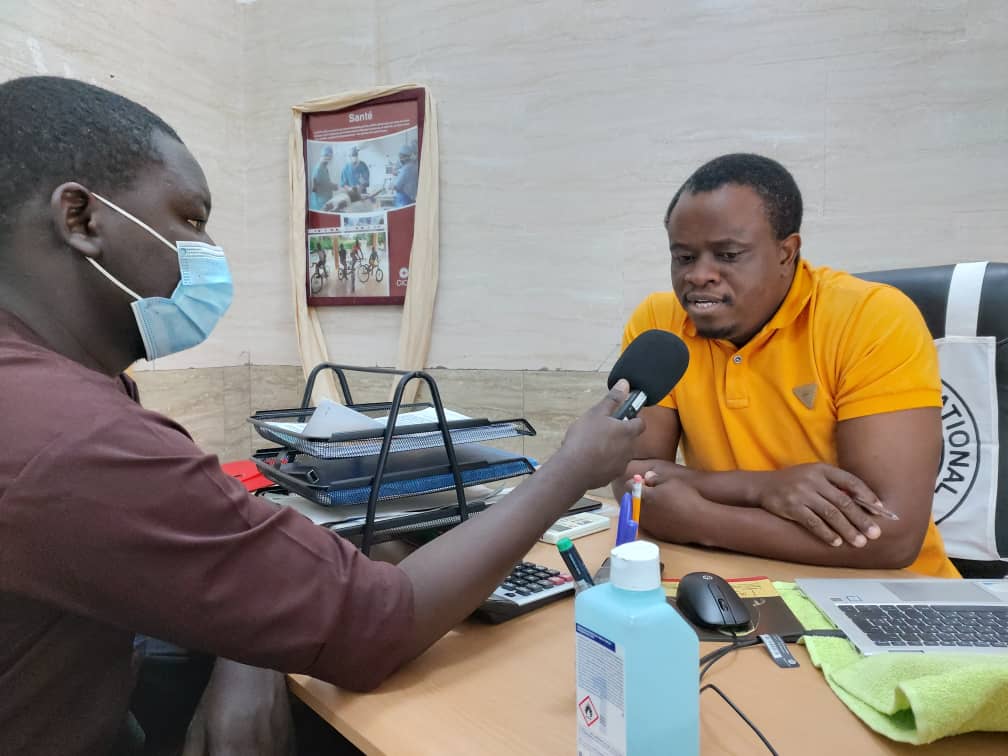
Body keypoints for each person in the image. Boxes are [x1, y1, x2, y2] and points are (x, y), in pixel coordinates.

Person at [0, 75, 645, 755]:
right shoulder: (72, 437)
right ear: (81, 219)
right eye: (190, 219)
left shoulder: (68, 389)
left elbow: (213, 563)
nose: (209, 254)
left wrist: (249, 651)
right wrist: (571, 467)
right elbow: (379, 623)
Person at [615, 153, 958, 578]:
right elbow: (633, 485)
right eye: (684, 258)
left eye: (728, 254)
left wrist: (697, 517)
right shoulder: (658, 323)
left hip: (890, 595)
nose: (699, 275)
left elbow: (890, 536)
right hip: (731, 578)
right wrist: (762, 489)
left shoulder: (871, 318)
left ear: (786, 252)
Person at [310, 144, 339, 210]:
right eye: (327, 156)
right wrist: (332, 186)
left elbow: (325, 182)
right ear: (323, 156)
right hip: (320, 205)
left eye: (330, 157)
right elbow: (314, 188)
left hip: (325, 202)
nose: (329, 159)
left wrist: (332, 185)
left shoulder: (324, 167)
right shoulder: (319, 169)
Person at [393, 143, 419, 207]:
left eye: (400, 156)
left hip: (404, 199)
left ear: (404, 156)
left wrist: (390, 186)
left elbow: (396, 186)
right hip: (412, 198)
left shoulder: (406, 168)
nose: (399, 158)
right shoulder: (414, 166)